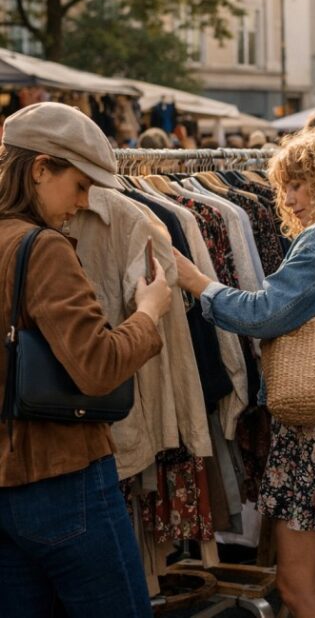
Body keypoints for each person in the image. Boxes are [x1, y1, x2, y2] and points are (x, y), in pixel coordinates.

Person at [174, 127, 315, 618]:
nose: (289, 198)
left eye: (300, 185)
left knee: (297, 585)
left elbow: (264, 314)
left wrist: (199, 283)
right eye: (285, 187)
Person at [0, 102, 173, 615]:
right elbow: (95, 365)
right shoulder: (43, 247)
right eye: (79, 185)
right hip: (63, 478)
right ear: (39, 168)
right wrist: (148, 313)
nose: (83, 202)